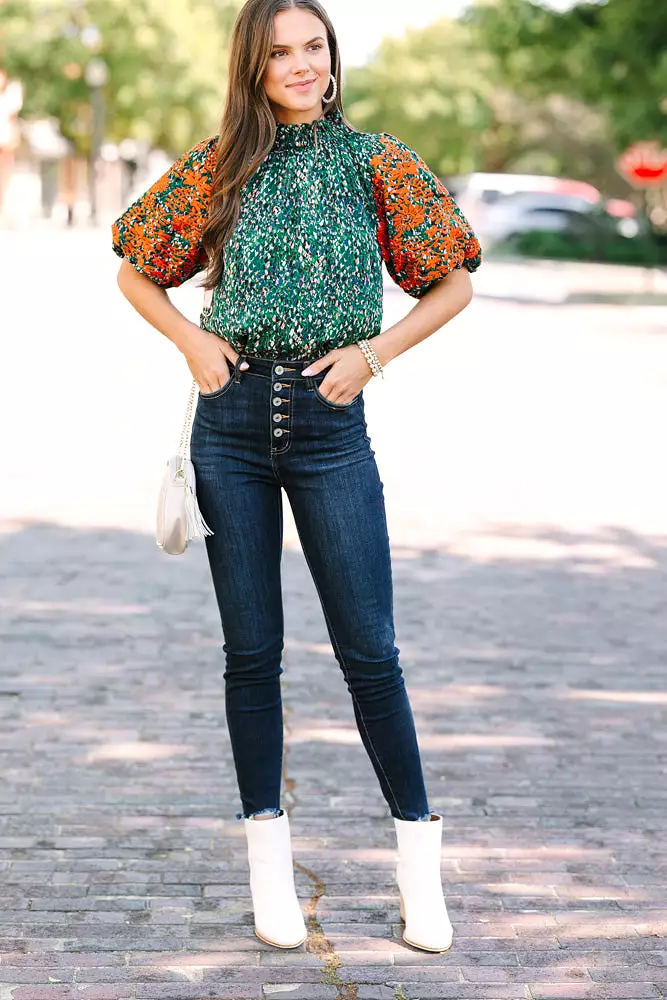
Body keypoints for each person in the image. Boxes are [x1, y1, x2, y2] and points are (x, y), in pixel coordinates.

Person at [112, 0, 481, 956]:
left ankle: (418, 872)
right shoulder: (219, 165)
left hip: (330, 422)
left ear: (332, 57)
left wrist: (375, 353)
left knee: (370, 651)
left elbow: (453, 281)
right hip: (228, 424)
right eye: (280, 52)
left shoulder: (376, 163)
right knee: (251, 655)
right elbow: (136, 271)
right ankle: (268, 869)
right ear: (252, 65)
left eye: (313, 47)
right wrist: (191, 339)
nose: (301, 65)